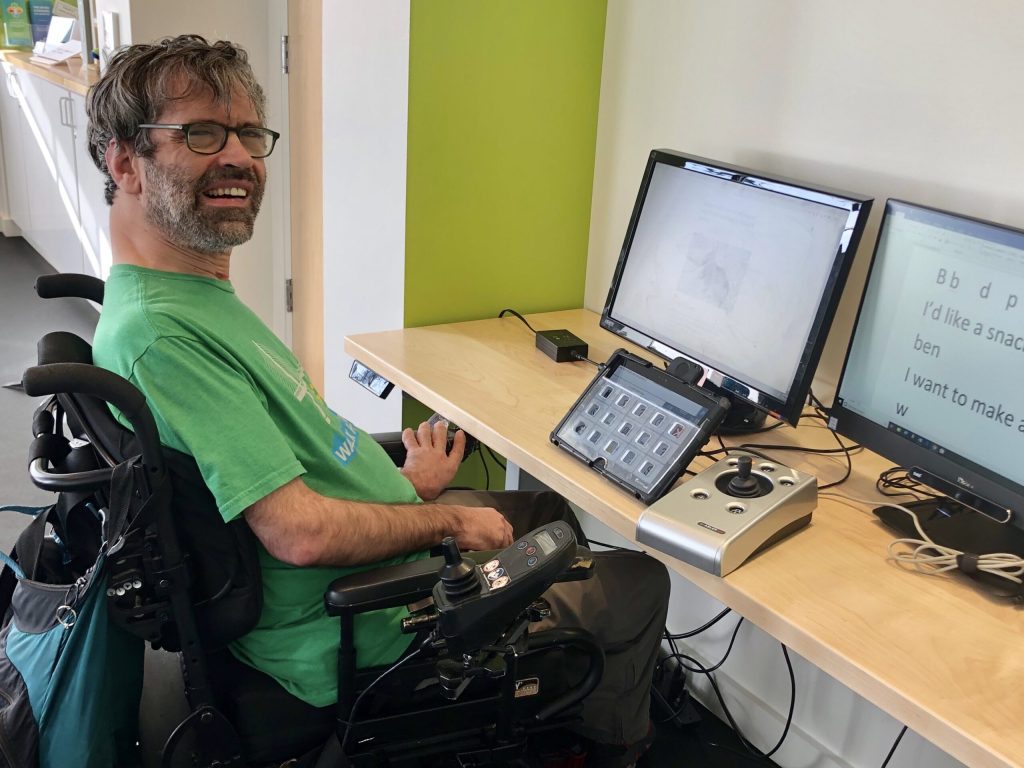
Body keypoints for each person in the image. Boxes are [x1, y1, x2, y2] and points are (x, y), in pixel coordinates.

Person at [86, 34, 669, 766]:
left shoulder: (190, 296)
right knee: (639, 579)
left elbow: (293, 464)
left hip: (367, 561)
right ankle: (605, 739)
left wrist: (407, 488)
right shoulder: (163, 336)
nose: (238, 157)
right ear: (124, 162)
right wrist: (445, 516)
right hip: (367, 624)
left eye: (248, 134)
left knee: (547, 510)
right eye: (201, 133)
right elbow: (299, 535)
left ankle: (560, 703)